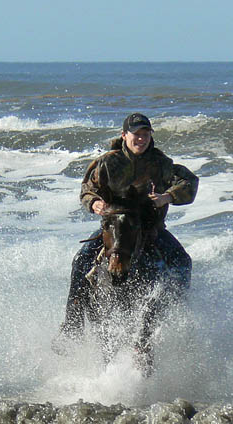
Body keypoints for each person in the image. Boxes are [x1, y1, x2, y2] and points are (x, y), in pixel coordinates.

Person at [57, 112, 199, 342]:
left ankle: (180, 322)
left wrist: (168, 197)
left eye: (145, 134)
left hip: (151, 229)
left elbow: (190, 182)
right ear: (124, 135)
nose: (141, 139)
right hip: (116, 228)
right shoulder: (107, 162)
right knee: (81, 260)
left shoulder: (162, 163)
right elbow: (87, 188)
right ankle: (72, 324)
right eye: (136, 134)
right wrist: (94, 203)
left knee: (183, 262)